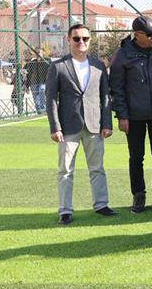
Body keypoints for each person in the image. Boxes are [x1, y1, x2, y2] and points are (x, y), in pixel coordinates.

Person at [45, 24, 115, 224]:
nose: (81, 42)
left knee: (97, 168)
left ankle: (101, 205)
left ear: (90, 40)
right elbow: (51, 98)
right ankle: (65, 210)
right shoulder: (58, 66)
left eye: (85, 38)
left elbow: (105, 97)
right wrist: (55, 127)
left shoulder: (98, 65)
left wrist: (107, 123)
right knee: (65, 171)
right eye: (76, 38)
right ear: (69, 40)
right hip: (68, 127)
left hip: (94, 125)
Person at [108, 15, 152, 214]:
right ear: (137, 35)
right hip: (133, 116)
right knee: (136, 157)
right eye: (150, 34)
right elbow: (116, 87)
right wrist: (122, 115)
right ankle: (138, 195)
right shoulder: (123, 54)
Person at [24, 48, 51, 114]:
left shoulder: (47, 60)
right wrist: (27, 86)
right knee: (36, 99)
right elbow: (28, 74)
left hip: (43, 82)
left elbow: (52, 70)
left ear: (43, 53)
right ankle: (39, 111)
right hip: (33, 82)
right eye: (36, 52)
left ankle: (43, 108)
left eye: (39, 52)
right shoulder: (32, 63)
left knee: (42, 90)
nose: (38, 54)